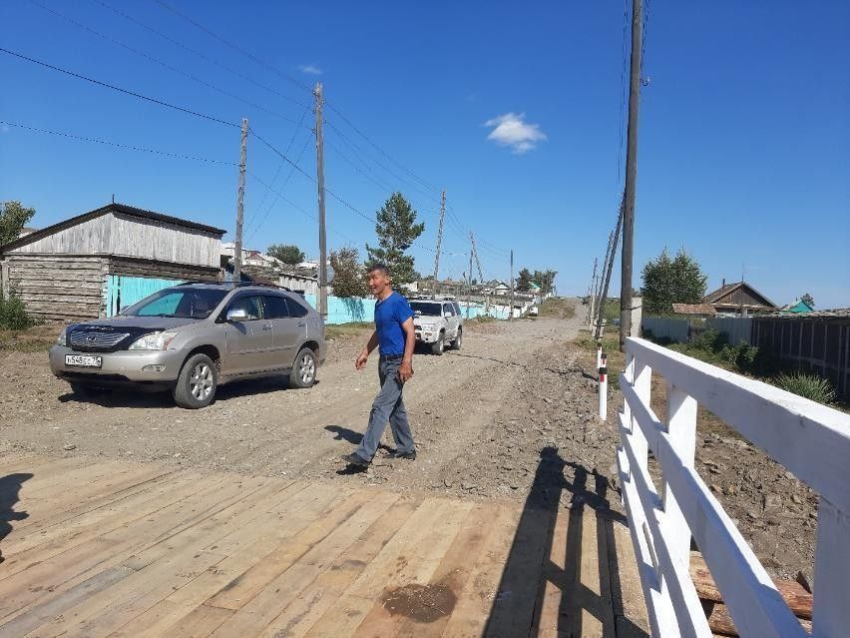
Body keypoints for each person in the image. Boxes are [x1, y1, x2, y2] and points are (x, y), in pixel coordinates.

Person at [341, 263, 417, 468]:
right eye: (369, 278)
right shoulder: (379, 304)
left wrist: (406, 363)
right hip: (384, 361)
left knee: (380, 406)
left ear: (387, 279)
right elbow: (380, 331)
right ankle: (407, 448)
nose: (370, 282)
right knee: (394, 407)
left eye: (374, 278)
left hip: (398, 363)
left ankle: (364, 455)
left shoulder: (397, 302)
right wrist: (366, 351)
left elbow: (411, 332)